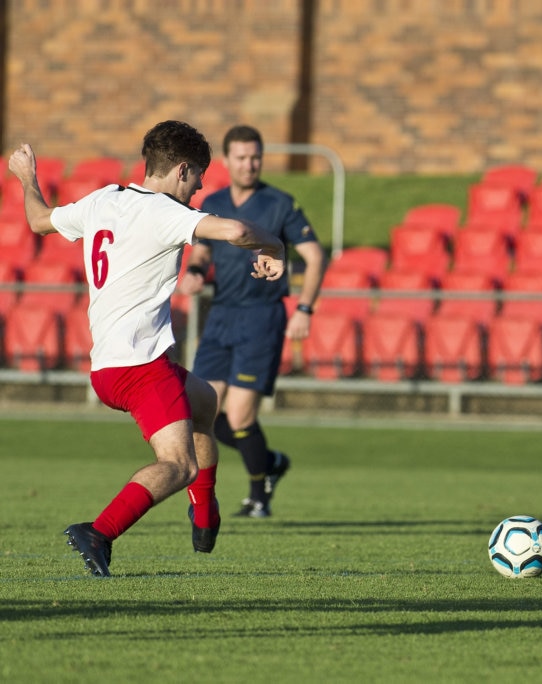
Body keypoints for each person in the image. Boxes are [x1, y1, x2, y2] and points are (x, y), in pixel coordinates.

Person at [7, 121, 286, 577]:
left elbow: (39, 221)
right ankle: (99, 532)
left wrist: (27, 179)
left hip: (110, 368)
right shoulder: (163, 212)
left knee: (205, 401)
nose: (200, 187)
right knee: (178, 466)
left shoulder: (103, 200)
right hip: (139, 367)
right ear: (180, 170)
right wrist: (273, 244)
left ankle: (204, 516)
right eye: (198, 177)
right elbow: (236, 231)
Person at [179, 125, 324, 519]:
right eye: (241, 157)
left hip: (262, 319)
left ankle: (258, 495)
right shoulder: (215, 201)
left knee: (240, 415)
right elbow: (202, 252)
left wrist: (305, 309)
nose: (250, 164)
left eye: (256, 156)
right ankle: (271, 463)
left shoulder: (279, 204)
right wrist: (193, 272)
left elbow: (314, 257)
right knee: (201, 412)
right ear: (227, 161)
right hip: (222, 316)